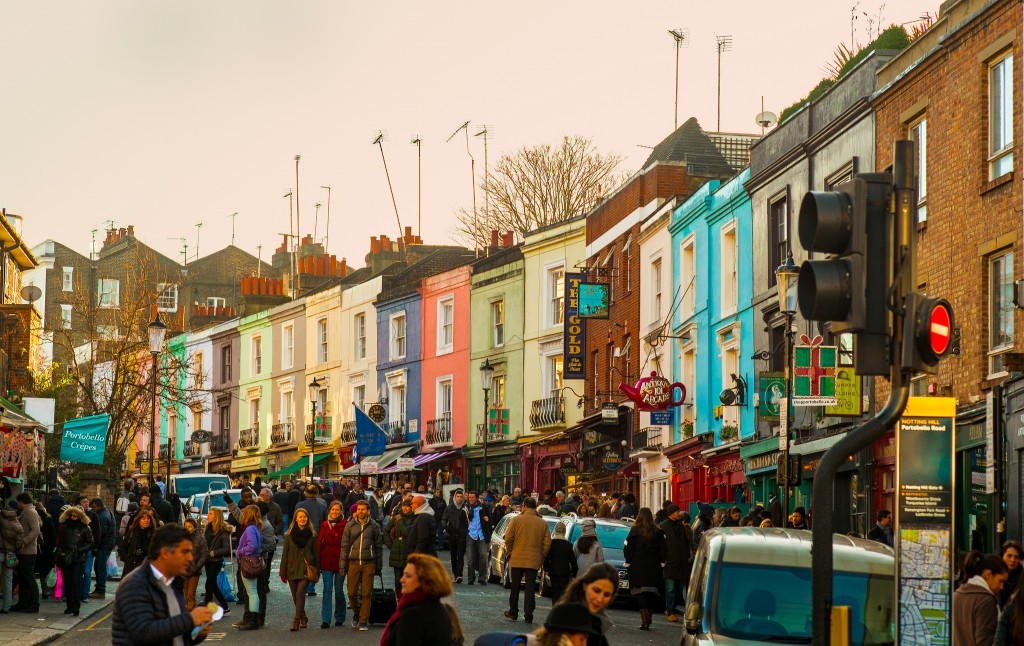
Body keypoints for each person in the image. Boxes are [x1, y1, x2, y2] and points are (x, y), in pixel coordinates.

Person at [111, 523, 215, 646]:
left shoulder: (174, 582)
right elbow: (142, 633)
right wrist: (190, 619)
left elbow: (175, 634)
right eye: (185, 552)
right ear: (165, 553)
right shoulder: (135, 584)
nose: (190, 558)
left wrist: (197, 632)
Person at [380, 553, 455, 646]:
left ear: (424, 581)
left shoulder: (412, 616)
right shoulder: (443, 610)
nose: (401, 580)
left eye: (408, 576)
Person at [503, 497, 551, 624]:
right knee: (530, 588)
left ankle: (513, 611)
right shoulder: (543, 523)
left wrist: (510, 552)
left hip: (517, 557)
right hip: (534, 559)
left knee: (515, 586)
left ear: (524, 506)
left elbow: (508, 538)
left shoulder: (516, 520)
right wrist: (542, 555)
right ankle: (528, 614)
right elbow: (547, 543)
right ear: (535, 507)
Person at [340, 499, 382, 631]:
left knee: (366, 593)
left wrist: (378, 566)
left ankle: (363, 620)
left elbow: (379, 547)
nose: (360, 511)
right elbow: (344, 546)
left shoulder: (374, 526)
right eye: (358, 509)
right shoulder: (350, 525)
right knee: (351, 593)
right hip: (353, 563)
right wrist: (342, 565)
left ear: (368, 511)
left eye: (363, 509)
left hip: (369, 562)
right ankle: (357, 613)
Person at [953, 550, 1008, 646]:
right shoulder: (986, 600)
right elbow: (985, 641)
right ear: (988, 575)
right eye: (1000, 581)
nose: (1001, 587)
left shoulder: (956, 595)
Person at [624, 508, 667, 630]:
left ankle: (645, 619)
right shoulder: (658, 531)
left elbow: (628, 548)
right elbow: (663, 549)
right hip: (653, 565)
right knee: (651, 592)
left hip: (638, 565)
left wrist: (628, 560)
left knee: (641, 593)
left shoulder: (634, 531)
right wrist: (662, 561)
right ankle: (649, 616)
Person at [556, 563, 618, 646]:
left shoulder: (598, 623)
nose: (600, 599)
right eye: (596, 590)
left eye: (606, 595)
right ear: (585, 584)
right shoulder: (566, 617)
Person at [280, 507, 319, 631]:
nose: (303, 519)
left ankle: (296, 620)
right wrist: (282, 572)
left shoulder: (312, 535)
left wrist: (317, 569)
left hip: (305, 569)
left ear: (308, 519)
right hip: (291, 568)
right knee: (295, 597)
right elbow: (285, 554)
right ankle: (303, 616)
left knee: (300, 594)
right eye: (300, 517)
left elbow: (315, 553)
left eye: (305, 517)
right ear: (296, 519)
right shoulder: (289, 535)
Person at [56, 505, 93, 617]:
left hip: (78, 558)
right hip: (65, 557)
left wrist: (80, 550)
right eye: (71, 515)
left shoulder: (85, 528)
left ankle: (76, 606)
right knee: (67, 582)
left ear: (80, 517)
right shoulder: (64, 526)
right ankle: (69, 605)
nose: (73, 517)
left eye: (76, 515)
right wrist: (59, 554)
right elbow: (60, 542)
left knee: (76, 582)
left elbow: (91, 543)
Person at [318, 501, 347, 628]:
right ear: (329, 511)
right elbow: (319, 543)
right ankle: (326, 619)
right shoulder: (324, 525)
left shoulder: (346, 525)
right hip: (327, 560)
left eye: (337, 510)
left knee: (339, 590)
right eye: (332, 509)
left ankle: (340, 616)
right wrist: (318, 562)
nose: (335, 512)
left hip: (341, 560)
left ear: (341, 511)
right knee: (327, 589)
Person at [659, 503, 690, 622]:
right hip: (670, 563)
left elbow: (686, 542)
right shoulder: (662, 527)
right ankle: (670, 611)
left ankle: (671, 609)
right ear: (671, 513)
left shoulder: (681, 526)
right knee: (670, 589)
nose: (679, 513)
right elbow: (661, 545)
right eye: (677, 511)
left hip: (681, 563)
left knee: (678, 588)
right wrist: (663, 558)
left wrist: (686, 556)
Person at [234, 504, 263, 631]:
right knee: (253, 592)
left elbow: (253, 546)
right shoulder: (256, 527)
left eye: (245, 512)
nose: (243, 513)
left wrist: (240, 551)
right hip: (255, 561)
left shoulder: (250, 529)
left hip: (248, 562)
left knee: (251, 592)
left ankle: (252, 621)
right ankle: (253, 619)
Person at [13, 492, 41, 613]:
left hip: (28, 551)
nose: (18, 505)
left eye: (19, 502)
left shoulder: (30, 512)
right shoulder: (28, 511)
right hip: (24, 551)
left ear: (22, 502)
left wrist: (24, 541)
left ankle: (34, 604)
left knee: (29, 578)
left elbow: (36, 530)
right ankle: (22, 603)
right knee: (23, 578)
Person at [202, 508, 232, 612]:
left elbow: (227, 548)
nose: (208, 515)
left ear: (216, 516)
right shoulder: (208, 528)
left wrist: (214, 553)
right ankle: (225, 606)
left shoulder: (223, 531)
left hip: (216, 561)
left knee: (209, 584)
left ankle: (207, 609)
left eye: (210, 514)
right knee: (213, 585)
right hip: (207, 560)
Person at [385, 498, 414, 599]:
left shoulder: (415, 518)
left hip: (409, 550)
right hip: (397, 549)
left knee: (408, 578)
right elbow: (386, 531)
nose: (405, 509)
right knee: (398, 579)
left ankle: (407, 599)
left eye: (408, 506)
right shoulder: (397, 518)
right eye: (404, 506)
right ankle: (399, 599)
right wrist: (390, 544)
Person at [88, 497, 116, 599]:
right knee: (99, 566)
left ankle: (100, 590)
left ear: (99, 506)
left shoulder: (102, 516)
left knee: (100, 567)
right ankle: (99, 589)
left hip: (104, 545)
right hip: (106, 544)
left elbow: (101, 533)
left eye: (94, 507)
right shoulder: (106, 512)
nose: (92, 509)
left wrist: (95, 545)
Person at [544, 521, 578, 604]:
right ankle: (560, 608)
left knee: (555, 591)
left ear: (555, 531)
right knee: (563, 591)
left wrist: (546, 568)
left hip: (553, 571)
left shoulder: (551, 544)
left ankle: (555, 608)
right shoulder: (568, 545)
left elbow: (547, 558)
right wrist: (574, 573)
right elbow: (573, 561)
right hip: (564, 572)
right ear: (564, 532)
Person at [0, 499, 23, 613]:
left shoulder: (1, 518)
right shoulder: (18, 525)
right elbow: (19, 543)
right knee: (8, 580)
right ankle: (6, 607)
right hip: (10, 554)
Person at [464, 491, 492, 585]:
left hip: (481, 535)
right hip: (471, 534)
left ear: (476, 498)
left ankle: (482, 578)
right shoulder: (466, 508)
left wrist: (488, 520)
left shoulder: (483, 507)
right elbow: (462, 521)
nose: (471, 499)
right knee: (471, 558)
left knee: (483, 556)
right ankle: (471, 578)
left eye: (473, 497)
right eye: (470, 497)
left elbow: (490, 519)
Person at [180, 517, 207, 611]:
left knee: (190, 594)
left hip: (194, 570)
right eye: (186, 526)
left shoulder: (200, 539)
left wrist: (197, 566)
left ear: (194, 527)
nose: (187, 528)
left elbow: (204, 555)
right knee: (185, 593)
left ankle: (191, 612)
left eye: (190, 526)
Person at [443, 490, 469, 583]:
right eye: (458, 496)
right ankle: (455, 574)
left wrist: (465, 531)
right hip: (452, 534)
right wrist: (446, 527)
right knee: (453, 555)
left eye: (461, 497)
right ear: (455, 497)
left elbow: (468, 521)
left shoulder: (465, 508)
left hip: (461, 535)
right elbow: (444, 519)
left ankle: (459, 575)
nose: (459, 498)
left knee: (460, 555)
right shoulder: (449, 507)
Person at [123, 510, 158, 576]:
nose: (146, 520)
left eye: (148, 519)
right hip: (131, 565)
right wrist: (126, 559)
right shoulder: (132, 532)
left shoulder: (153, 534)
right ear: (139, 521)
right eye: (143, 518)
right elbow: (123, 546)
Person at [34, 502, 56, 600]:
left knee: (32, 570)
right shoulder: (48, 518)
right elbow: (53, 535)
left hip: (35, 548)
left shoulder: (34, 517)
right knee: (44, 571)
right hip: (47, 549)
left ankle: (32, 591)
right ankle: (45, 590)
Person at [999, 541, 1023, 609]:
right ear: (1002, 556)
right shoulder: (995, 576)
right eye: (1009, 556)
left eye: (1016, 557)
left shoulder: (1022, 577)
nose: (1013, 560)